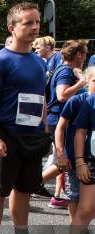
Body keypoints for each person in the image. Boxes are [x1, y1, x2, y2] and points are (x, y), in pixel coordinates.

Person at [0, 2, 54, 234]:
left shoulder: (37, 60)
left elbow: (40, 97)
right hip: (6, 136)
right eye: (28, 23)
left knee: (24, 190)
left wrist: (44, 131)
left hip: (32, 137)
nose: (35, 27)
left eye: (37, 23)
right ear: (12, 27)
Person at [42, 39, 88, 209]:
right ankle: (29, 186)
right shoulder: (66, 72)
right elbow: (62, 96)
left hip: (58, 119)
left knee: (64, 161)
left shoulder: (63, 69)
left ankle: (30, 186)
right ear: (78, 54)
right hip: (60, 120)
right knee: (65, 160)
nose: (85, 58)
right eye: (84, 54)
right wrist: (81, 83)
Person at [54, 66, 95, 230]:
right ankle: (76, 230)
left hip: (92, 159)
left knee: (88, 202)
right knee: (75, 195)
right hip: (74, 157)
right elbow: (60, 127)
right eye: (94, 81)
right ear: (86, 82)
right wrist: (60, 153)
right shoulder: (77, 100)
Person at [63, 91, 95, 234]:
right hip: (91, 162)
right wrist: (80, 161)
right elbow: (80, 132)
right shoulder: (91, 100)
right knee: (85, 210)